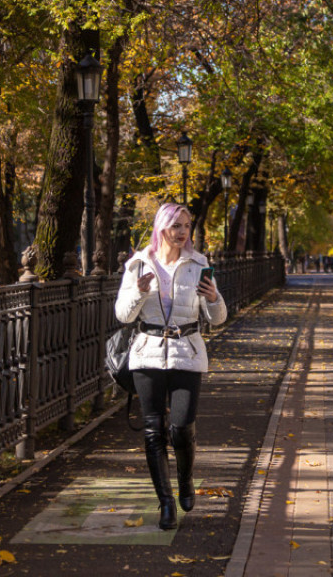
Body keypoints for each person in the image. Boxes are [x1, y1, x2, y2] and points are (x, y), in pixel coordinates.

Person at [115, 203, 227, 530]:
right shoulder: (138, 264)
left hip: (188, 353)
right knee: (154, 432)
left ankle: (186, 479)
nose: (182, 232)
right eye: (176, 225)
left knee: (180, 428)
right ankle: (165, 502)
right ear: (161, 227)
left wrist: (214, 298)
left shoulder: (198, 264)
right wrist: (137, 293)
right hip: (147, 354)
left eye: (187, 226)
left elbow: (217, 319)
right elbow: (123, 315)